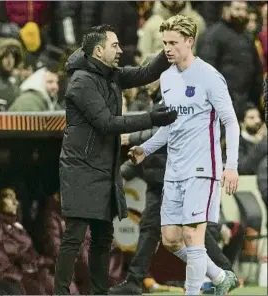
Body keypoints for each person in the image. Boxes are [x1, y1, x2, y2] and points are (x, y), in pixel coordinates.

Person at [54, 24, 178, 295]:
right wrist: (151, 118)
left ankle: (99, 293)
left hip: (103, 168)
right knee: (73, 238)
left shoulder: (111, 75)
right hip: (80, 168)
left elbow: (148, 72)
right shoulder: (80, 82)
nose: (121, 50)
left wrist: (169, 46)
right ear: (99, 51)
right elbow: (107, 123)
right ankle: (60, 293)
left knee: (102, 237)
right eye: (115, 46)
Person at [128, 15, 240, 295]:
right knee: (171, 240)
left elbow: (231, 122)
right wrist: (146, 148)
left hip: (203, 167)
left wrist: (232, 166)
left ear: (190, 42)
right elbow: (169, 128)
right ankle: (219, 276)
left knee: (193, 236)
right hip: (174, 169)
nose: (167, 48)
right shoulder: (166, 78)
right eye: (165, 43)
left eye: (173, 43)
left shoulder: (209, 76)